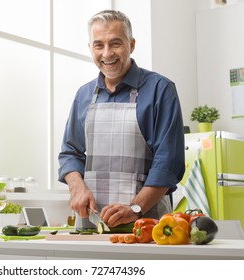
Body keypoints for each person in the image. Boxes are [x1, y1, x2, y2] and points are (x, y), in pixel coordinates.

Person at [58, 10, 185, 229]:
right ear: (90, 48)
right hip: (91, 224)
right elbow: (70, 153)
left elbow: (168, 163)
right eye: (99, 45)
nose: (107, 53)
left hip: (148, 223)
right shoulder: (83, 95)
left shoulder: (160, 89)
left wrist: (135, 208)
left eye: (115, 43)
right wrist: (77, 187)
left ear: (131, 44)